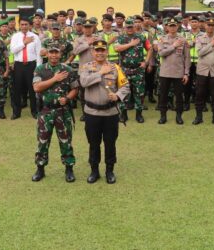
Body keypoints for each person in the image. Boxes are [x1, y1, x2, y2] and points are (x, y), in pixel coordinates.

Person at [80, 40, 129, 184]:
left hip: (110, 114)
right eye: (97, 50)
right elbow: (83, 82)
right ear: (92, 52)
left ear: (107, 52)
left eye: (103, 50)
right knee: (93, 143)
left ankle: (109, 171)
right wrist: (100, 73)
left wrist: (118, 95)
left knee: (110, 143)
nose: (100, 53)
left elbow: (125, 86)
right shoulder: (86, 67)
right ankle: (94, 171)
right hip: (92, 113)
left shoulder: (115, 67)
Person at [31, 45, 79, 183]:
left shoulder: (68, 70)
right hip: (45, 111)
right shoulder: (40, 69)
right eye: (51, 52)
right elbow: (36, 87)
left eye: (56, 53)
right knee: (42, 141)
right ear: (46, 54)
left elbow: (75, 89)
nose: (53, 55)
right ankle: (40, 168)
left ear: (60, 54)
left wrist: (68, 98)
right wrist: (55, 79)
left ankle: (69, 168)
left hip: (63, 112)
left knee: (66, 141)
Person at [155, 18, 190, 125]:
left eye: (174, 25)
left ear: (177, 26)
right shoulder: (162, 39)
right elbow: (161, 53)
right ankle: (163, 116)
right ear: (166, 27)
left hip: (178, 72)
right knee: (163, 95)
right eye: (170, 26)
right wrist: (174, 46)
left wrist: (186, 73)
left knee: (179, 96)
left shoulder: (183, 40)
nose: (172, 28)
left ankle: (179, 116)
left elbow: (187, 57)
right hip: (165, 72)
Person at [114, 18, 149, 123]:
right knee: (124, 92)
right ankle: (123, 114)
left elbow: (150, 48)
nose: (129, 29)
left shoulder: (141, 37)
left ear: (135, 27)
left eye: (131, 27)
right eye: (128, 27)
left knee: (139, 93)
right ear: (125, 27)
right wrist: (131, 44)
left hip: (138, 70)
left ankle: (139, 114)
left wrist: (146, 62)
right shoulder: (120, 38)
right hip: (124, 70)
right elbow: (117, 48)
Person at [194, 16, 214, 126]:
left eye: (212, 25)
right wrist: (212, 44)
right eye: (208, 24)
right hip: (202, 71)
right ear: (205, 25)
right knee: (199, 94)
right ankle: (199, 117)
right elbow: (200, 52)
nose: (210, 27)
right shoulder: (199, 38)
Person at [9, 17, 41, 119]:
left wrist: (38, 69)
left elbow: (39, 54)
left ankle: (34, 111)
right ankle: (16, 112)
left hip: (31, 65)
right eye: (22, 24)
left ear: (29, 25)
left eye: (26, 24)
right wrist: (24, 43)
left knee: (32, 89)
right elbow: (13, 50)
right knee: (17, 89)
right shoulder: (15, 36)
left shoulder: (35, 37)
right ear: (19, 25)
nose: (24, 26)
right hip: (19, 65)